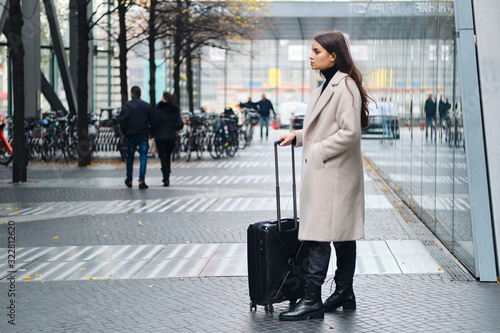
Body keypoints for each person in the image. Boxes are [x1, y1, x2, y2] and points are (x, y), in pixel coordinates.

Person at [278, 31, 369, 321]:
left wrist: (316, 151)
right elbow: (324, 129)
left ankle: (311, 299)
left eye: (316, 51)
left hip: (335, 173)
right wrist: (299, 136)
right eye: (311, 50)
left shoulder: (345, 87)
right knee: (342, 236)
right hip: (330, 173)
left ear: (334, 55)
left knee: (318, 236)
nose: (310, 55)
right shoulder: (325, 87)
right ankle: (344, 292)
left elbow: (349, 132)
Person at [118, 86, 154, 189]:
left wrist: (125, 131)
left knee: (130, 157)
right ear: (140, 94)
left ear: (131, 94)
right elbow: (153, 120)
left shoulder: (126, 106)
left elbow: (121, 120)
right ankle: (141, 181)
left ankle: (129, 180)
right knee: (143, 157)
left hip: (131, 135)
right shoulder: (146, 106)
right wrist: (151, 132)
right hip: (143, 134)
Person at [152, 92, 183, 187]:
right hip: (170, 137)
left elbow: (154, 123)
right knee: (168, 156)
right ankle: (167, 174)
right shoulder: (175, 110)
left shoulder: (158, 109)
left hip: (160, 137)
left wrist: (152, 133)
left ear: (164, 98)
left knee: (163, 157)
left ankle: (165, 177)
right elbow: (180, 124)